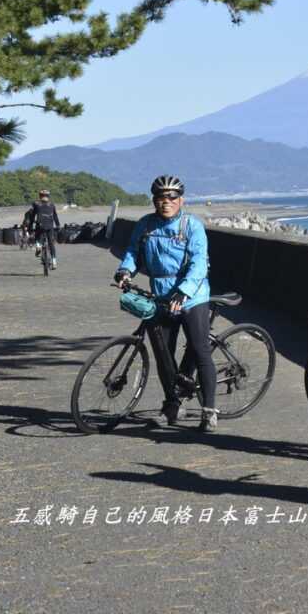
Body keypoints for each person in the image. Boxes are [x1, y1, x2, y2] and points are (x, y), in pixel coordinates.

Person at [114, 174, 218, 432]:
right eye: (160, 198)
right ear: (154, 200)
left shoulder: (192, 225)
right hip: (159, 294)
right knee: (163, 356)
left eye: (171, 197)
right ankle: (172, 405)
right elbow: (132, 253)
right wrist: (125, 271)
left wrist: (183, 292)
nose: (166, 202)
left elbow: (198, 263)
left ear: (181, 200)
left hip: (192, 296)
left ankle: (209, 410)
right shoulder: (146, 225)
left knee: (200, 349)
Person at [23, 188, 60, 269]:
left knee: (37, 235)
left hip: (40, 225)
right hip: (50, 226)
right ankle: (54, 261)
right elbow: (55, 216)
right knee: (51, 243)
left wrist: (30, 227)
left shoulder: (36, 203)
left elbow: (32, 217)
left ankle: (38, 245)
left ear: (40, 196)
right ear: (48, 196)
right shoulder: (52, 204)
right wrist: (58, 225)